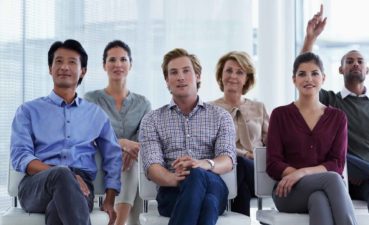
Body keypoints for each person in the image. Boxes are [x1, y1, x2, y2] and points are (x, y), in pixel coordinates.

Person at [302, 5, 369, 225]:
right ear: (340, 70)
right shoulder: (329, 101)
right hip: (335, 176)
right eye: (349, 61)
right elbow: (305, 74)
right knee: (341, 158)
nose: (355, 64)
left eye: (360, 61)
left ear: (367, 70)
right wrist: (310, 39)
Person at [10, 39, 122, 225]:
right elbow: (20, 156)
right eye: (59, 61)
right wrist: (65, 175)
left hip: (82, 187)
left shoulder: (96, 115)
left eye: (71, 62)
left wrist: (110, 200)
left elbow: (113, 156)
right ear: (50, 68)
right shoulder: (28, 111)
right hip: (36, 184)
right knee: (62, 174)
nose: (64, 67)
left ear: (82, 71)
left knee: (57, 209)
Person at [139, 48, 236, 225]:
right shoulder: (151, 120)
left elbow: (228, 159)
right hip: (172, 190)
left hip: (213, 184)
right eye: (173, 73)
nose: (180, 77)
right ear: (167, 81)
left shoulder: (221, 116)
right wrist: (178, 178)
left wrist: (201, 165)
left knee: (197, 174)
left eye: (186, 71)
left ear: (198, 76)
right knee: (207, 202)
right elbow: (152, 166)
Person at [267, 52, 357, 225]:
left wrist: (303, 173)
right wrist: (297, 176)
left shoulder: (338, 117)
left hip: (321, 189)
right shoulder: (280, 115)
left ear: (323, 78)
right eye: (302, 74)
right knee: (333, 179)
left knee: (319, 200)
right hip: (287, 191)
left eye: (314, 73)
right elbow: (273, 163)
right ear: (294, 80)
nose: (309, 79)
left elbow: (336, 164)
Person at [85, 40, 151, 225]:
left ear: (130, 64)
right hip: (101, 162)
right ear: (104, 65)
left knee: (133, 161)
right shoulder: (92, 99)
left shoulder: (143, 103)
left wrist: (129, 148)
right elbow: (89, 134)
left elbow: (145, 140)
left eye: (123, 59)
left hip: (133, 165)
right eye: (112, 60)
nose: (118, 64)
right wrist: (120, 143)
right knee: (125, 160)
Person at [211, 51, 269, 216]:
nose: (233, 76)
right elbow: (211, 144)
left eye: (240, 72)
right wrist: (243, 154)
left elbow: (273, 144)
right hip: (226, 171)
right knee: (239, 179)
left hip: (256, 172)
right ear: (221, 75)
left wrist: (255, 156)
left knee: (241, 166)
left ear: (247, 78)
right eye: (228, 70)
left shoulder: (259, 107)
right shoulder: (210, 109)